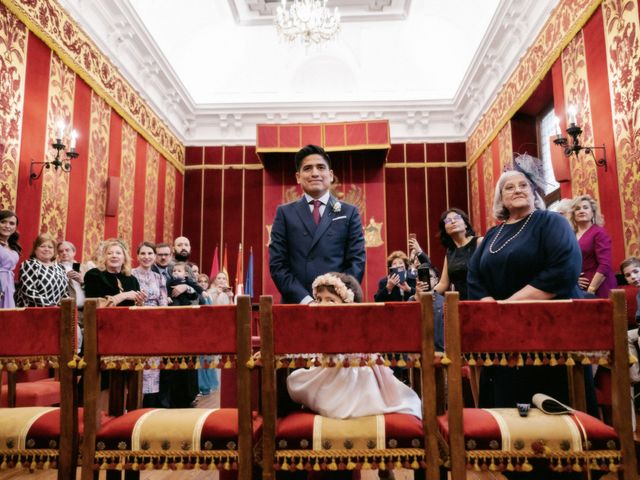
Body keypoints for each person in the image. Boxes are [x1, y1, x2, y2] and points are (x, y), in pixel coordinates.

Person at [467, 168, 588, 412]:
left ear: (534, 193)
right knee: (507, 403)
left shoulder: (552, 222)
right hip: (504, 331)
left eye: (523, 185)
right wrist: (492, 306)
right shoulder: (492, 234)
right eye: (509, 187)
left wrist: (508, 305)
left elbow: (564, 267)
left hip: (549, 328)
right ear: (501, 198)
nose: (518, 190)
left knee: (551, 403)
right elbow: (474, 276)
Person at [286, 272, 423, 420]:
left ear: (348, 305)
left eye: (330, 300)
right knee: (294, 380)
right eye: (319, 299)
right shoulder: (320, 326)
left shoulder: (355, 327)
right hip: (329, 372)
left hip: (358, 377)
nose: (322, 304)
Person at [269, 144, 366, 304]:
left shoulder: (349, 212)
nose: (315, 173)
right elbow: (278, 265)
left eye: (320, 167)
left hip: (337, 305)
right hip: (297, 304)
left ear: (331, 174)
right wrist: (306, 300)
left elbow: (357, 261)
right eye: (307, 168)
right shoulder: (285, 213)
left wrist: (335, 297)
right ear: (298, 176)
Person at [411, 209, 482, 301]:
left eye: (456, 218)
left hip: (481, 299)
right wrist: (427, 294)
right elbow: (443, 284)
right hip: (460, 303)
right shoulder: (450, 252)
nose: (453, 221)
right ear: (445, 229)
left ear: (465, 224)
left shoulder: (479, 242)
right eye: (448, 220)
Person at [131, 241, 169, 407]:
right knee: (136, 361)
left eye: (150, 254)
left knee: (153, 365)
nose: (146, 257)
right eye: (143, 254)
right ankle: (132, 402)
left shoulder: (159, 277)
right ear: (137, 256)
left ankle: (149, 405)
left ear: (154, 257)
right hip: (135, 321)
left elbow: (163, 302)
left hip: (155, 322)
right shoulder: (130, 274)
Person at [571, 194, 617, 298]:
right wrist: (574, 279)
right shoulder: (571, 235)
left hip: (600, 287)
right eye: (577, 209)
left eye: (586, 208)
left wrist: (591, 290)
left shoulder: (599, 233)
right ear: (573, 214)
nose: (581, 211)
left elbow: (605, 265)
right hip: (578, 289)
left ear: (593, 213)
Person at [83, 239, 145, 306]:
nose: (114, 256)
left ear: (124, 259)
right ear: (104, 258)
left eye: (118, 253)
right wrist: (124, 295)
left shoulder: (132, 279)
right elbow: (94, 305)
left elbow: (135, 308)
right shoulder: (94, 275)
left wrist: (139, 302)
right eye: (109, 253)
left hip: (128, 316)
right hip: (103, 316)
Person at [15, 233, 68, 307]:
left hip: (56, 313)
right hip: (33, 313)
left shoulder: (61, 268)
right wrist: (51, 306)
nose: (46, 249)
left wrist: (65, 306)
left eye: (50, 247)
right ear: (35, 249)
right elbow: (29, 291)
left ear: (54, 251)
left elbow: (65, 293)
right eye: (42, 246)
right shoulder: (29, 264)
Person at [0, 210, 21, 308]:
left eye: (11, 223)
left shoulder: (13, 246)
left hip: (9, 287)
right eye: (3, 222)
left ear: (15, 227)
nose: (7, 226)